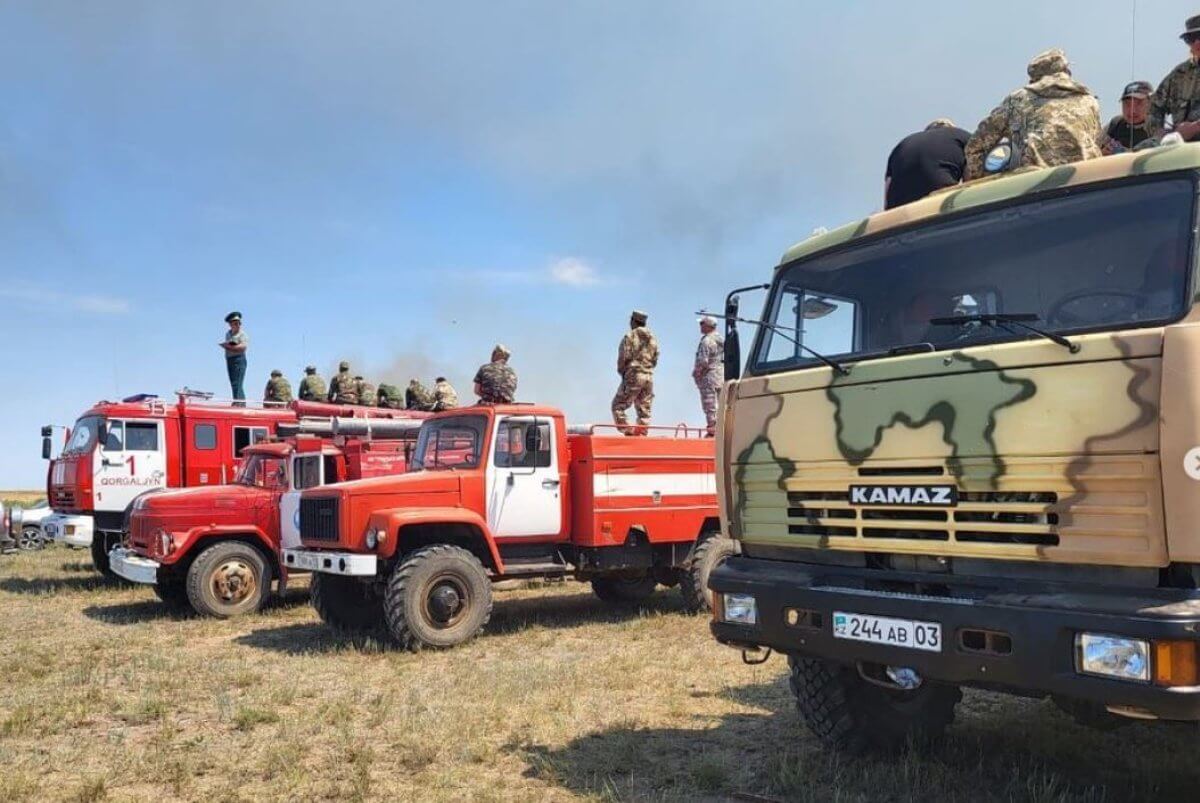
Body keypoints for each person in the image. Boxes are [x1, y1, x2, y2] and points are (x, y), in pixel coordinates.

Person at [964, 48, 1101, 181]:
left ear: (1033, 79)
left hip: (1034, 185)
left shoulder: (1018, 100)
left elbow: (975, 146)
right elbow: (1096, 143)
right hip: (1085, 182)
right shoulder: (1090, 101)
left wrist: (984, 181)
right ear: (1066, 71)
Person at [884, 119, 970, 209]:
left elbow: (888, 189)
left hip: (898, 210)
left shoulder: (900, 146)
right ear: (951, 128)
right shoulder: (962, 136)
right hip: (940, 201)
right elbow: (974, 177)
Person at [1151, 15, 1200, 141]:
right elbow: (1153, 107)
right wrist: (1159, 131)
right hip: (1179, 148)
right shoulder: (1179, 75)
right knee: (1141, 150)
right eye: (1191, 38)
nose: (1197, 42)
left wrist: (1195, 128)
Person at [611, 310, 659, 435]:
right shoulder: (653, 338)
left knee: (617, 406)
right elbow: (655, 359)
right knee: (644, 409)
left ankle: (628, 431)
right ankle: (641, 434)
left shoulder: (630, 336)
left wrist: (623, 372)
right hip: (648, 376)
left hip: (634, 375)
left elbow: (623, 358)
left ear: (633, 321)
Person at [1101, 81, 1160, 154]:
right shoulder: (1114, 125)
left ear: (1151, 103)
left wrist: (1126, 153)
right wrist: (1102, 152)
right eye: (1127, 104)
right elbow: (1093, 152)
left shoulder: (1159, 128)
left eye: (1139, 103)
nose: (1132, 110)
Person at [692, 316, 724, 437]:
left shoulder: (707, 341)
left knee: (709, 403)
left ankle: (713, 431)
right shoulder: (720, 339)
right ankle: (721, 428)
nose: (700, 326)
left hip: (709, 376)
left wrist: (696, 374)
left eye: (702, 323)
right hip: (720, 375)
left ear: (708, 325)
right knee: (722, 403)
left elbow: (703, 361)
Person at [218, 311, 248, 403]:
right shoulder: (228, 334)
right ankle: (236, 400)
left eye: (238, 323)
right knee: (233, 382)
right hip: (230, 359)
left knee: (238, 383)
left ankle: (239, 402)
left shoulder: (242, 334)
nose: (237, 325)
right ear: (230, 324)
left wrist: (230, 347)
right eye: (234, 323)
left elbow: (243, 347)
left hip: (239, 359)